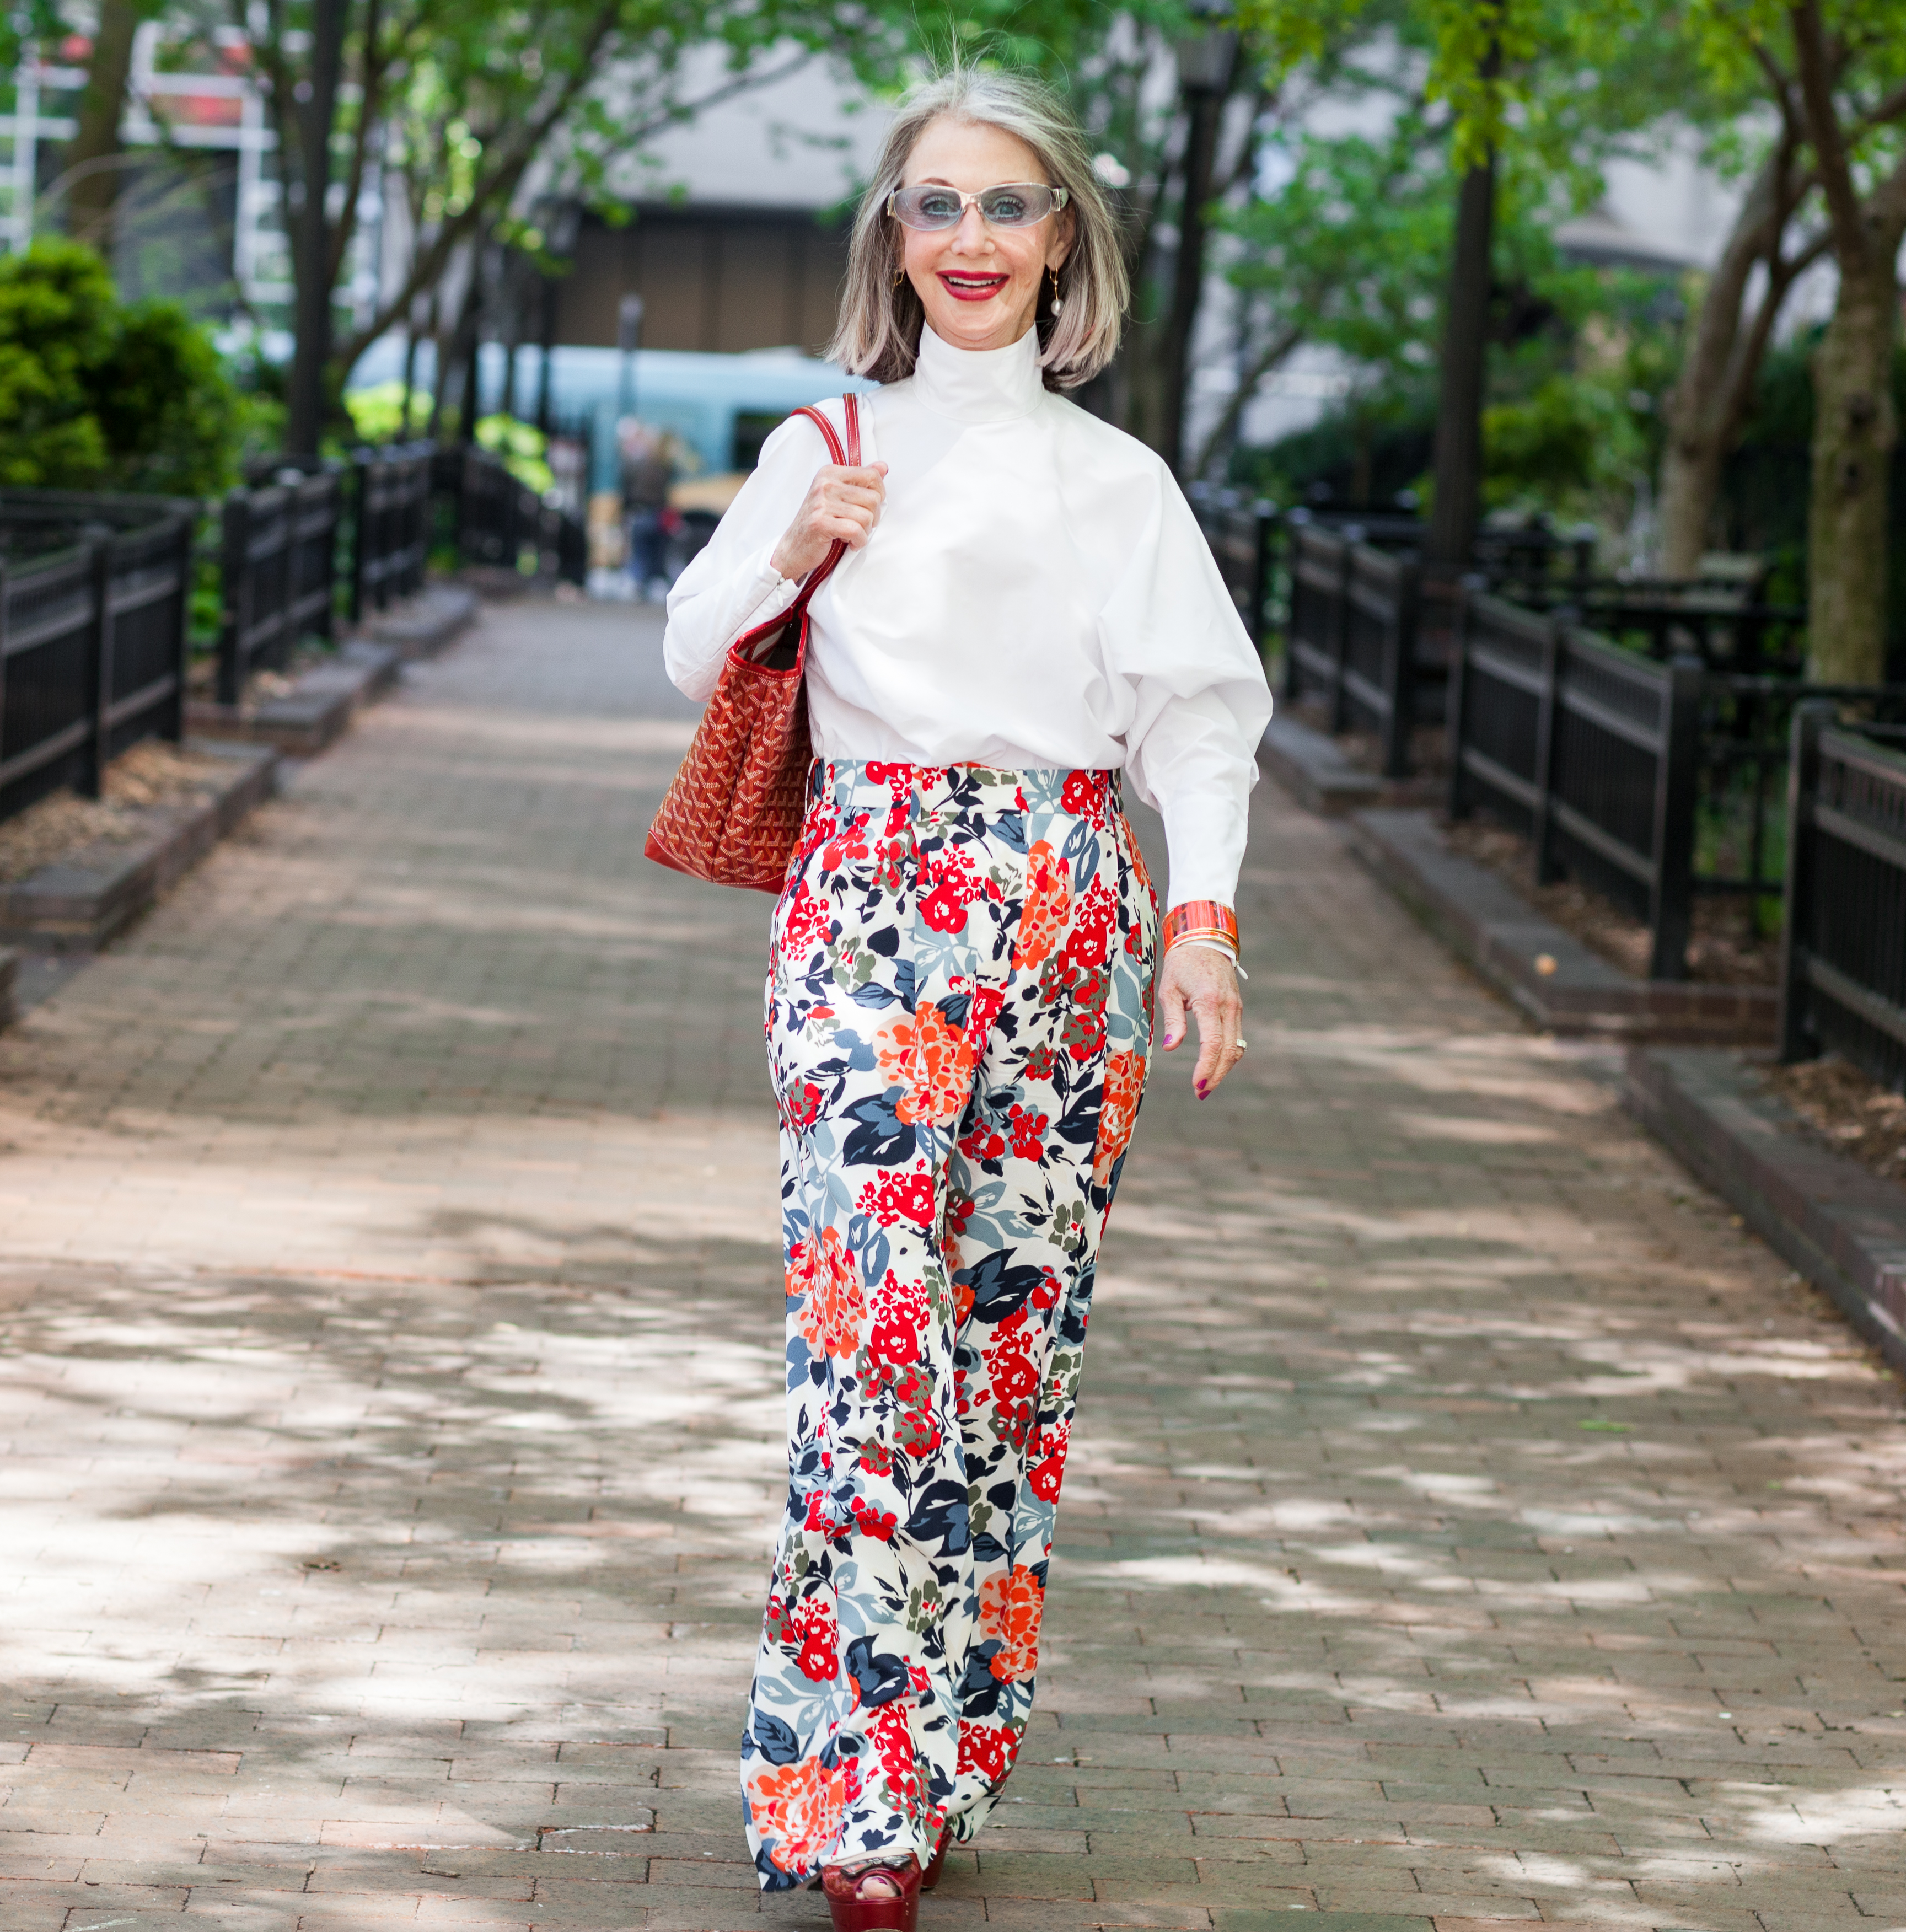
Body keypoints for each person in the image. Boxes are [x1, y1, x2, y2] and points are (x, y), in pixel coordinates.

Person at [661, 65, 1270, 1932]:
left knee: (1007, 1358)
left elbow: (1199, 718)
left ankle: (944, 1745)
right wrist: (798, 543)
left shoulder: (1117, 481)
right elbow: (690, 653)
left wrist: (1202, 920)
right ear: (893, 237)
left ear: (1059, 237)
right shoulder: (823, 440)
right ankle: (847, 1798)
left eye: (1005, 206)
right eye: (935, 206)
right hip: (867, 902)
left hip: (1066, 911)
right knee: (869, 1344)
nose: (971, 241)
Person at [620, 419, 676, 598]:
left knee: (639, 551)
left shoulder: (637, 464)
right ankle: (652, 583)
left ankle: (637, 583)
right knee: (656, 550)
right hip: (656, 513)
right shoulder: (663, 466)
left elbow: (627, 486)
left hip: (640, 512)